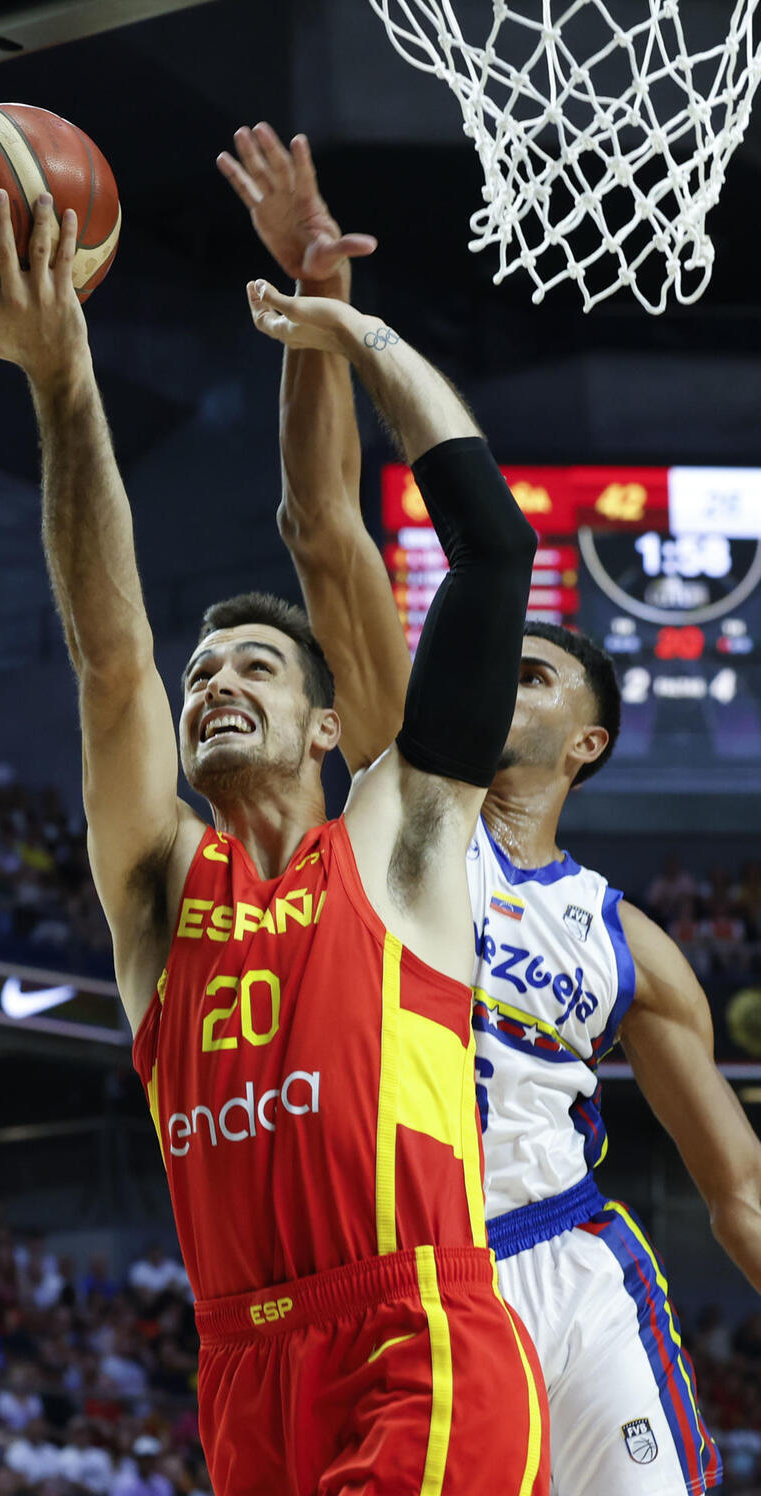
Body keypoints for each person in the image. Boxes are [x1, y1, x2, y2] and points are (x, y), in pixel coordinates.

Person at [0, 188, 548, 1495]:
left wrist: (363, 340)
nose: (214, 681)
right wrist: (63, 380)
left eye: (255, 666)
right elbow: (111, 660)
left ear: (327, 727)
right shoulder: (160, 893)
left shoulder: (402, 836)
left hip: (413, 1342)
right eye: (204, 667)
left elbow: (495, 556)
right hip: (246, 1383)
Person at [218, 119, 761, 1496]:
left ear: (583, 742)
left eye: (529, 672)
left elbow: (738, 1189)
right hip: (411, 1278)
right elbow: (326, 526)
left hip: (572, 1270)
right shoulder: (413, 810)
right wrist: (319, 323)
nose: (492, 681)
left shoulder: (631, 945)